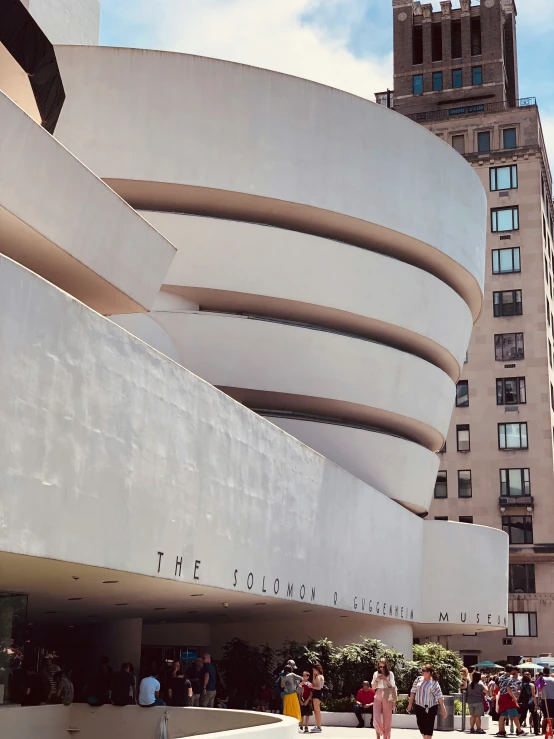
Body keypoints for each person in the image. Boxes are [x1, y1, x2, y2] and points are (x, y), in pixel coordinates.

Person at [407, 664, 448, 739]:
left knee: (428, 728)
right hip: (419, 706)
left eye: (424, 671)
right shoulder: (418, 679)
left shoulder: (434, 682)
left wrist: (443, 708)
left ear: (429, 672)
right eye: (422, 670)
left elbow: (439, 696)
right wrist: (410, 704)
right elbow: (413, 691)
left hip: (431, 707)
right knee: (421, 725)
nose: (422, 672)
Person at [496, 664, 525, 738]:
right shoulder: (509, 679)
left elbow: (499, 686)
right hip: (507, 697)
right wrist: (514, 697)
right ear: (512, 670)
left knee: (502, 714)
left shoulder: (501, 677)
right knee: (515, 714)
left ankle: (501, 731)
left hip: (501, 696)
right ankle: (519, 731)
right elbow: (508, 689)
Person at [372, 658, 395, 739]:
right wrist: (377, 680)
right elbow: (373, 687)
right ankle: (379, 735)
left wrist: (385, 679)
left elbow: (392, 686)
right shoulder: (375, 673)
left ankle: (386, 736)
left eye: (383, 667)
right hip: (378, 693)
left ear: (386, 666)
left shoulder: (390, 674)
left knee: (387, 718)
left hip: (388, 693)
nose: (382, 669)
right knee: (376, 718)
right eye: (380, 667)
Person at [311, 663, 325, 733]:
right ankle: (317, 725)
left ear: (317, 670)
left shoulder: (318, 677)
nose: (313, 671)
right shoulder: (319, 676)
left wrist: (312, 687)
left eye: (314, 670)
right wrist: (313, 676)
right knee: (316, 711)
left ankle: (319, 727)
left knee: (317, 711)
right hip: (317, 693)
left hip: (317, 693)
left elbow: (318, 687)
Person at [540, 666, 554, 734]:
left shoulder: (541, 679)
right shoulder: (553, 679)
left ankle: (545, 729)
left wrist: (538, 699)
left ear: (543, 672)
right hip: (552, 699)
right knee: (552, 715)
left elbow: (538, 690)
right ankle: (551, 728)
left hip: (544, 698)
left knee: (545, 715)